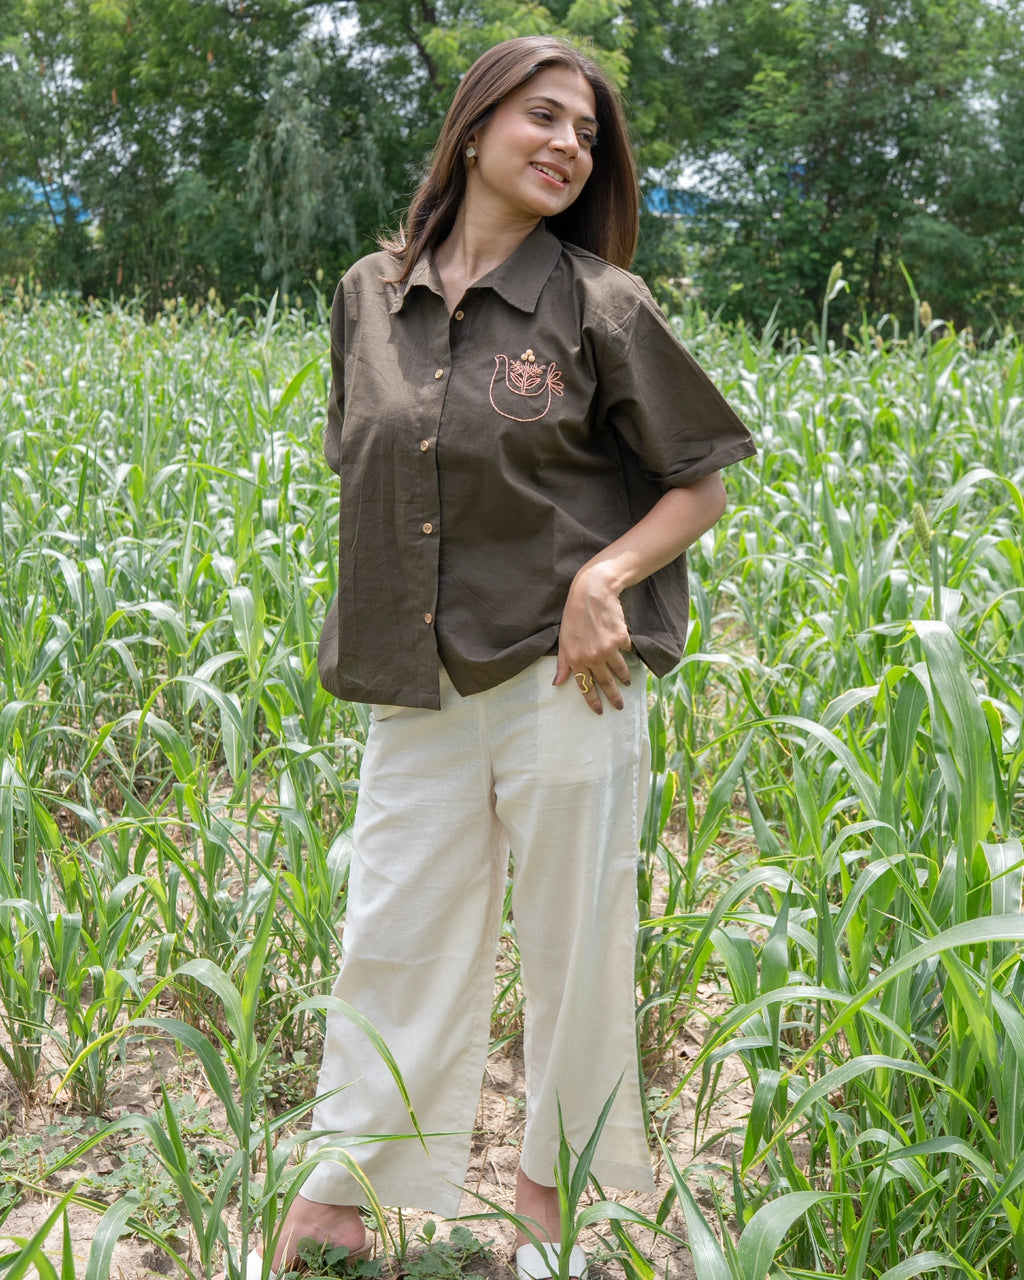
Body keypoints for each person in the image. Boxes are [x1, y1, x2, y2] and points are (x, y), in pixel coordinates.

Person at [243, 34, 755, 1280]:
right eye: (542, 117)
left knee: (577, 944)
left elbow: (698, 486)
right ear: (474, 129)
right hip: (413, 679)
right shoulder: (368, 294)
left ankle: (547, 1197)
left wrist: (601, 579)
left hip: (563, 675)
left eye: (586, 133)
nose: (567, 145)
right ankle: (342, 1195)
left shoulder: (600, 304)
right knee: (395, 930)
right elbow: (376, 464)